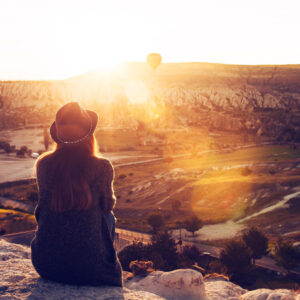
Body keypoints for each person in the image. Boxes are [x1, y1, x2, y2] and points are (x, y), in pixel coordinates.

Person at [30, 102, 123, 286]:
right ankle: (99, 254)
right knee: (109, 216)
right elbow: (107, 206)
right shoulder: (102, 166)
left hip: (46, 264)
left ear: (58, 137)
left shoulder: (43, 164)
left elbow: (42, 210)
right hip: (91, 268)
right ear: (89, 136)